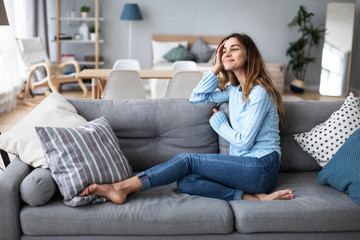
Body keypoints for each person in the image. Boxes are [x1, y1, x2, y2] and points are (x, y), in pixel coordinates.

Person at [78, 33, 295, 204]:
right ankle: (253, 199)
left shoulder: (259, 92)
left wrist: (220, 125)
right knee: (187, 182)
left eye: (234, 48)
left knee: (187, 160)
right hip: (245, 168)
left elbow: (245, 141)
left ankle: (122, 188)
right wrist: (216, 67)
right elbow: (196, 98)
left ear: (250, 54)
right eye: (223, 50)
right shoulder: (233, 91)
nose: (227, 53)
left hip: (261, 167)